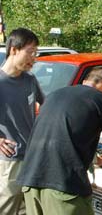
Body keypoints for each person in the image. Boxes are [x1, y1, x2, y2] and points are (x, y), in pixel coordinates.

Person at [16, 66, 102, 215]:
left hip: (30, 181)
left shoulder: (55, 94)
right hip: (63, 187)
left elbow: (66, 139)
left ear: (84, 81)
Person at [0, 28, 44, 215]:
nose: (33, 58)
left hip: (32, 157)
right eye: (30, 52)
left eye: (36, 53)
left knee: (29, 210)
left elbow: (47, 106)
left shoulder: (30, 80)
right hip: (9, 161)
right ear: (14, 50)